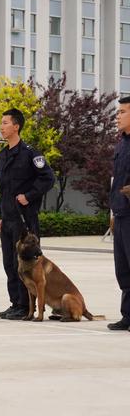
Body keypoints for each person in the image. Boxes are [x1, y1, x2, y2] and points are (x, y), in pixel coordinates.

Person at [0, 109, 55, 320]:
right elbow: (3, 190)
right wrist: (1, 215)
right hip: (9, 219)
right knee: (8, 263)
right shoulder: (3, 155)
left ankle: (26, 305)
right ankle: (16, 303)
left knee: (25, 263)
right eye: (1, 123)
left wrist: (29, 196)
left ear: (16, 126)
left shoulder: (31, 153)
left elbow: (48, 179)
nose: (1, 127)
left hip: (25, 219)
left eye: (5, 123)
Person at [108, 95, 130, 331]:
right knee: (122, 269)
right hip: (122, 212)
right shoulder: (121, 143)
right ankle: (128, 315)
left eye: (122, 112)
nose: (118, 117)